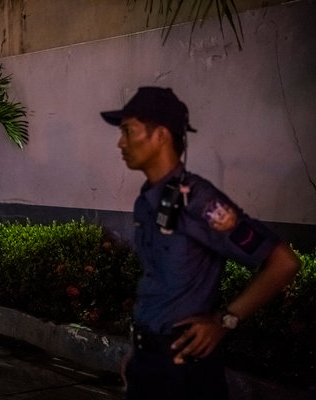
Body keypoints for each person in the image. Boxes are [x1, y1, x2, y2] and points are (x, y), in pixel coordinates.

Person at [100, 87, 300, 400]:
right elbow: (157, 286)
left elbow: (283, 262)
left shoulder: (199, 201)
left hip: (185, 372)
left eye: (128, 131)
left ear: (160, 135)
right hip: (150, 362)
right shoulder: (146, 202)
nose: (120, 143)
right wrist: (140, 355)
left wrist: (226, 319)